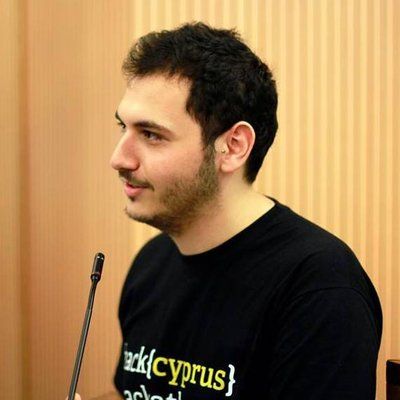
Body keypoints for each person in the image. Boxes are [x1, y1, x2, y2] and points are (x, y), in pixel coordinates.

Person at [86, 22, 382, 399]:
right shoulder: (152, 263)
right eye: (123, 128)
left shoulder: (320, 288)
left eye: (151, 135)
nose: (119, 158)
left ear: (233, 146)